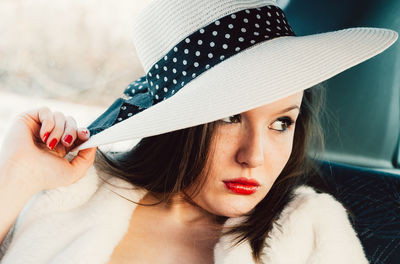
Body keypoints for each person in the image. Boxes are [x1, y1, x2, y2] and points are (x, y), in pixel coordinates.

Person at [0, 0, 398, 263]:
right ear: (177, 126)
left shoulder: (312, 231)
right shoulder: (68, 195)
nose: (254, 155)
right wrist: (16, 176)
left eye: (282, 123)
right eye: (229, 118)